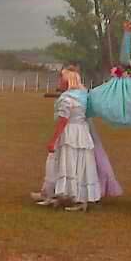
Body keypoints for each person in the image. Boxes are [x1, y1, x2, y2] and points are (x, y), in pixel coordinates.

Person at [37, 68, 102, 212]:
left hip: (70, 132)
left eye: (61, 79)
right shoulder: (83, 97)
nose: (59, 82)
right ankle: (66, 195)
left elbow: (63, 121)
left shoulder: (67, 99)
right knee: (79, 164)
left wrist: (53, 140)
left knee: (65, 162)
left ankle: (70, 196)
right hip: (82, 131)